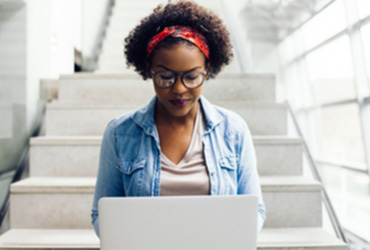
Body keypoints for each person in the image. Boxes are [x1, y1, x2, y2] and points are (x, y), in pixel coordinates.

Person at [91, 0, 265, 237]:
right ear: (149, 70)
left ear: (207, 70)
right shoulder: (120, 134)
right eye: (165, 77)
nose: (179, 89)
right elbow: (102, 215)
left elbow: (255, 210)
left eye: (192, 77)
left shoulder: (233, 130)